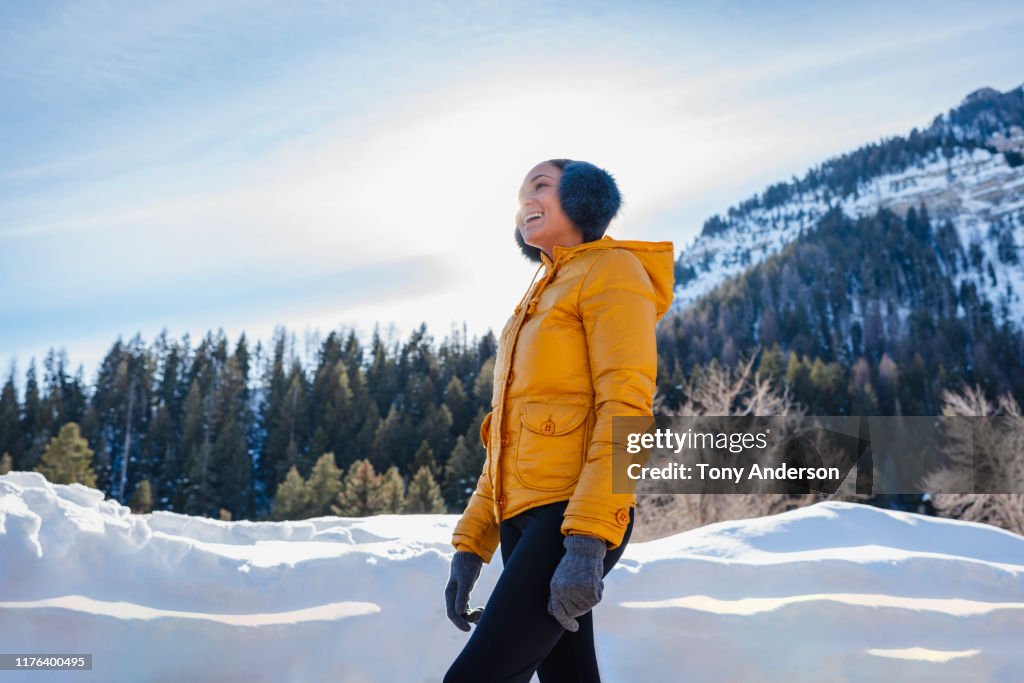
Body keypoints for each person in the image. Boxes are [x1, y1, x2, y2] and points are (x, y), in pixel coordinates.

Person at [443, 158, 675, 683]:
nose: (526, 199)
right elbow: (504, 435)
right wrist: (471, 545)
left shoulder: (611, 270)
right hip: (521, 518)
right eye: (522, 191)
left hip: (573, 516)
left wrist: (589, 539)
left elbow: (626, 408)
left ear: (583, 197)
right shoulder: (537, 297)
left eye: (541, 185)